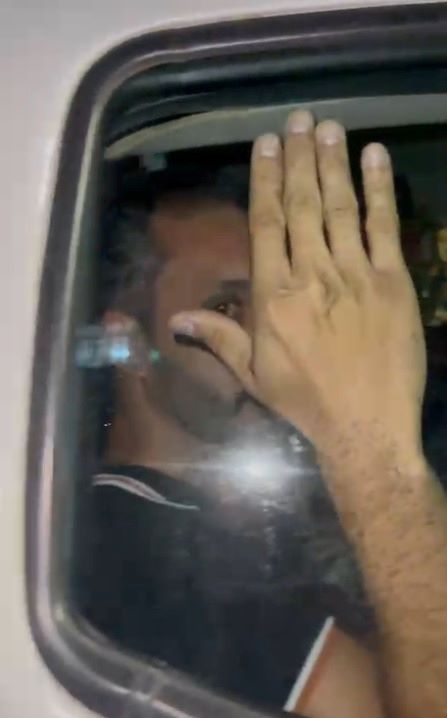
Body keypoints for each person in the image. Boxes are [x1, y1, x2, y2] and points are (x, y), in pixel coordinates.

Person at [81, 112, 447, 718]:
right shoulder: (148, 555)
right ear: (128, 346)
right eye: (228, 307)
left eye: (273, 308)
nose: (275, 344)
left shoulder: (222, 524)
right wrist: (374, 452)